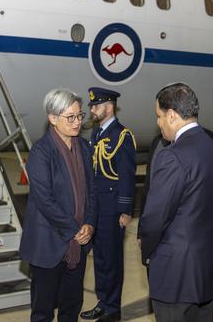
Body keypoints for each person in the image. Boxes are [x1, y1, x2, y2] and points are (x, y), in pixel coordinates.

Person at [139, 83, 213, 322]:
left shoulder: (172, 156)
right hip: (208, 265)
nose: (158, 123)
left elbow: (155, 218)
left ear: (172, 115)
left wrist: (147, 253)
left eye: (158, 116)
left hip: (177, 272)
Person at [19, 88, 97, 322]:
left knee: (71, 307)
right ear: (52, 118)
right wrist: (75, 229)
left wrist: (90, 225)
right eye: (70, 117)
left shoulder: (83, 148)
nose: (77, 123)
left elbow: (92, 192)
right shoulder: (41, 152)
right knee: (43, 311)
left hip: (78, 245)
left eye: (79, 116)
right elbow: (45, 200)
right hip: (48, 244)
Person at [81, 87, 136, 322]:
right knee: (101, 258)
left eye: (96, 105)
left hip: (113, 208)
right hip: (97, 207)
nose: (92, 110)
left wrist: (125, 210)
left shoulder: (122, 136)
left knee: (112, 260)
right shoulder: (97, 133)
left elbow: (127, 175)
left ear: (109, 106)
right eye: (92, 105)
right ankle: (103, 302)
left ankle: (113, 309)